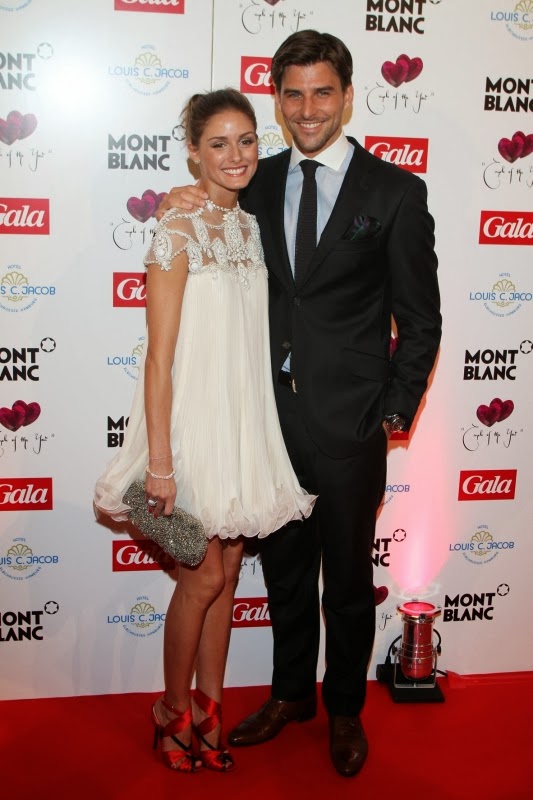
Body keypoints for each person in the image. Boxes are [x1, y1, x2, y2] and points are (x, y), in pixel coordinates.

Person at [157, 30, 441, 778]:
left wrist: (394, 411)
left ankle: (344, 708)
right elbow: (205, 208)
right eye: (293, 94)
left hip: (351, 423)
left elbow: (421, 319)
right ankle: (290, 696)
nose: (307, 108)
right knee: (284, 575)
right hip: (266, 423)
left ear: (346, 96)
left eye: (322, 92)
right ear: (277, 100)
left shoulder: (394, 192)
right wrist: (181, 196)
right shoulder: (255, 179)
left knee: (345, 580)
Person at [94, 88, 315, 773]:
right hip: (191, 426)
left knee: (227, 571)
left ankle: (210, 710)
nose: (235, 155)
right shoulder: (176, 229)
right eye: (217, 143)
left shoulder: (251, 227)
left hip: (243, 425)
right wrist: (160, 462)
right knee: (202, 577)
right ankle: (171, 709)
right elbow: (158, 359)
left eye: (246, 140)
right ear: (192, 151)